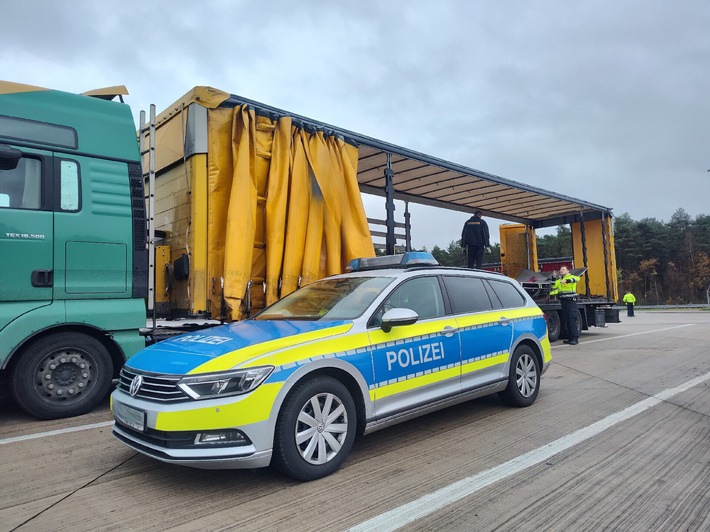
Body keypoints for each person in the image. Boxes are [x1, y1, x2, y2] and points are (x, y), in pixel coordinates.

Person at [550, 265, 581, 345]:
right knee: (567, 320)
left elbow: (577, 279)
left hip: (571, 301)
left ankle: (574, 338)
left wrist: (567, 281)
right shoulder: (559, 280)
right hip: (563, 301)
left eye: (563, 269)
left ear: (568, 271)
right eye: (561, 269)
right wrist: (553, 277)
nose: (561, 270)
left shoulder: (571, 277)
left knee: (572, 319)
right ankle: (570, 338)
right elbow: (553, 286)